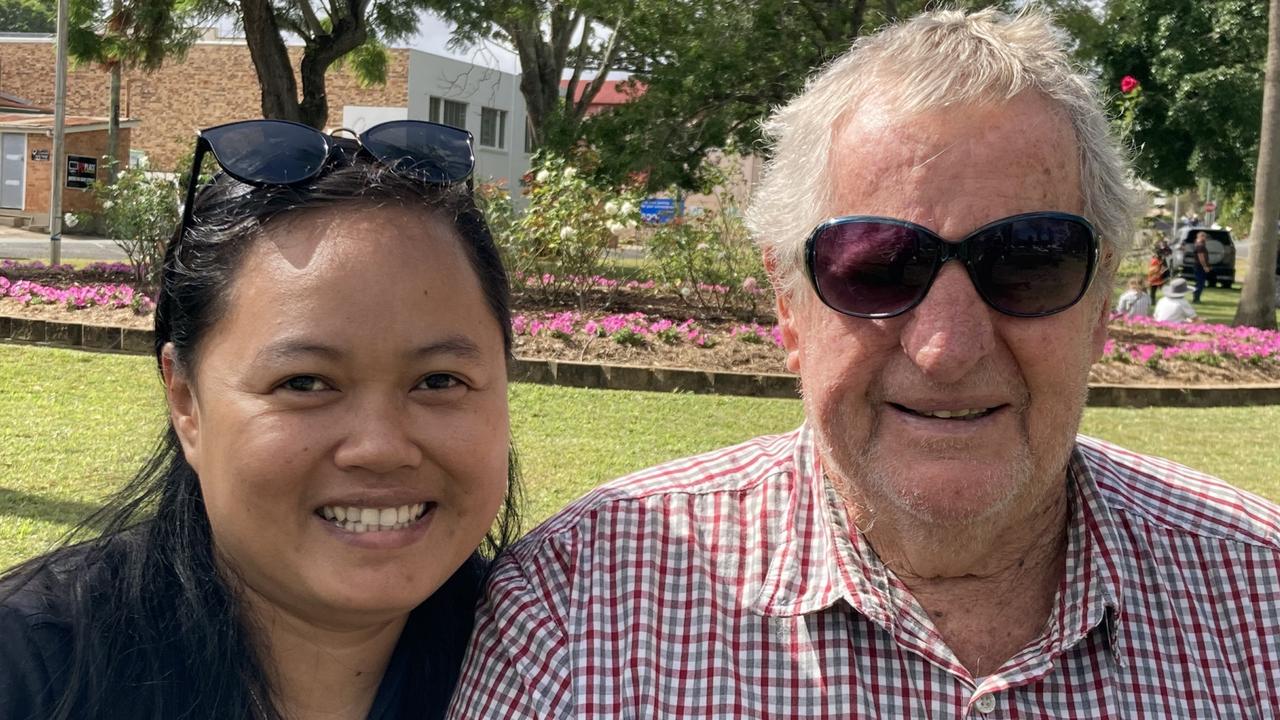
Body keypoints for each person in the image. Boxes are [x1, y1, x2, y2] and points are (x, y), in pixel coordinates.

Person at [449, 9, 1280, 718]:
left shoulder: (1260, 597)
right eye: (877, 266)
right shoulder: (575, 611)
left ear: (1101, 306)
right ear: (788, 308)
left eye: (1028, 259)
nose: (946, 348)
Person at [0, 119, 521, 720]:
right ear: (186, 402)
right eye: (304, 383)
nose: (380, 447)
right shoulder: (35, 672)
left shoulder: (558, 661)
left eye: (439, 381)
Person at [1192, 230, 1214, 302]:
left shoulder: (1198, 244)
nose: (1205, 238)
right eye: (1204, 236)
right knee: (1200, 282)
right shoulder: (1200, 246)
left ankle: (1197, 298)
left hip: (1199, 266)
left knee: (1200, 282)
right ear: (1200, 236)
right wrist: (1205, 266)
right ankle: (1196, 298)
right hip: (1199, 266)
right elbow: (1201, 257)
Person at [1146, 239, 1170, 303]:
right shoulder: (1156, 259)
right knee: (1155, 288)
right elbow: (1155, 268)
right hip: (1156, 274)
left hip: (1159, 274)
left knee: (1161, 288)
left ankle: (1154, 300)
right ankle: (1152, 300)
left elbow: (1168, 252)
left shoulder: (1159, 258)